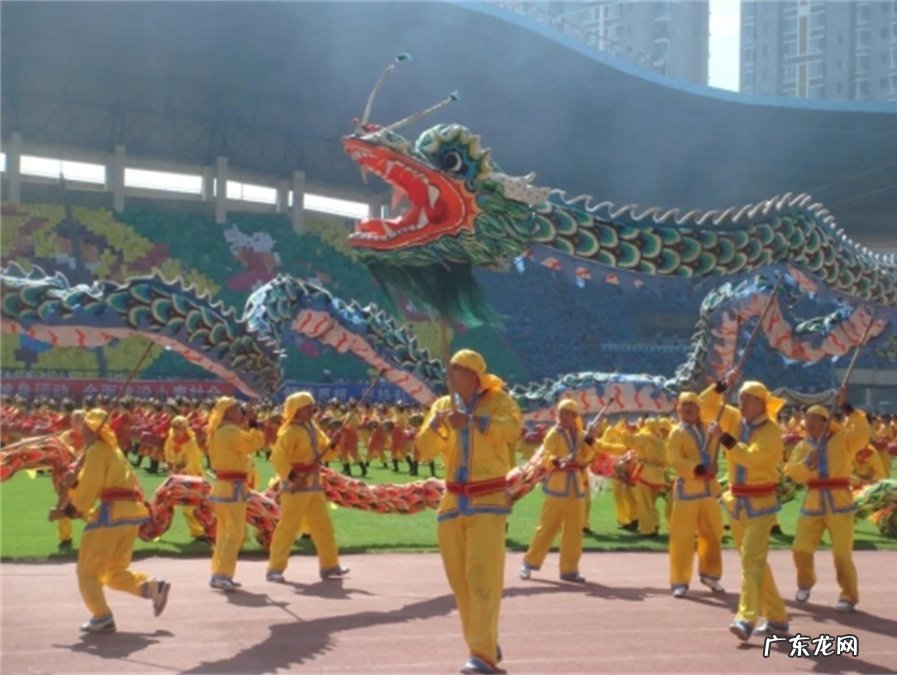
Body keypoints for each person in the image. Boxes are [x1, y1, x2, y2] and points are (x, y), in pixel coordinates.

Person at [416, 349, 522, 675]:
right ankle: (484, 643)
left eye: (460, 369)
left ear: (476, 374)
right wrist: (433, 427)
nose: (453, 375)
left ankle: (482, 655)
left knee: (482, 578)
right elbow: (422, 452)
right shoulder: (442, 405)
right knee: (460, 582)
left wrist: (475, 421)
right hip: (452, 502)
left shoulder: (499, 400)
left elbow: (512, 429)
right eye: (451, 369)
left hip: (488, 500)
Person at [48, 408, 170, 633]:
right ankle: (153, 587)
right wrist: (72, 484)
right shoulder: (113, 451)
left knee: (87, 571)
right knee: (114, 573)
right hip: (130, 515)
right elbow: (90, 484)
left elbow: (89, 490)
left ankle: (101, 615)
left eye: (84, 425)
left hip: (111, 515)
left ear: (90, 428)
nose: (81, 429)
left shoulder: (96, 451)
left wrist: (67, 510)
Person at [703, 371, 790, 641]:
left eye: (747, 399)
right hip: (737, 504)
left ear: (762, 403)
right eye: (739, 398)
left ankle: (746, 617)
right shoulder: (734, 420)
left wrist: (725, 439)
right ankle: (777, 618)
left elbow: (753, 460)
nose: (741, 404)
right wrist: (721, 385)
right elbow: (705, 405)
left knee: (751, 561)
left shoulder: (772, 431)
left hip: (761, 504)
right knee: (754, 562)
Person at [784, 390, 870, 612]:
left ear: (826, 421)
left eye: (814, 419)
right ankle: (805, 582)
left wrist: (846, 406)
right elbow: (792, 472)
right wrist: (807, 463)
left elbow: (862, 433)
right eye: (807, 419)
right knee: (800, 549)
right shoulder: (803, 446)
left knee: (842, 554)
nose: (809, 423)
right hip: (813, 502)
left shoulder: (843, 440)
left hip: (839, 502)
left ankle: (849, 595)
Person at [266, 392, 349, 582]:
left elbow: (325, 453)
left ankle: (330, 566)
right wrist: (294, 477)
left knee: (323, 526)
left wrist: (333, 444)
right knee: (288, 527)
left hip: (314, 485)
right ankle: (275, 568)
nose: (312, 409)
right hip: (296, 486)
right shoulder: (289, 432)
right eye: (307, 406)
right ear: (296, 410)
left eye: (312, 405)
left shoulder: (313, 428)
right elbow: (278, 458)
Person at [520, 399, 596, 583]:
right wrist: (558, 460)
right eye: (561, 413)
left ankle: (569, 569)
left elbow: (588, 456)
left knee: (574, 530)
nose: (563, 417)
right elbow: (546, 455)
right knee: (547, 527)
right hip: (557, 486)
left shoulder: (579, 435)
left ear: (574, 416)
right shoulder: (553, 434)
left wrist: (590, 439)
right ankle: (529, 563)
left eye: (568, 413)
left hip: (576, 487)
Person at [665, 392, 725, 598]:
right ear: (678, 409)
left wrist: (714, 467)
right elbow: (674, 459)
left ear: (699, 408)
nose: (688, 408)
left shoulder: (709, 429)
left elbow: (717, 453)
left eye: (692, 404)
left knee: (713, 533)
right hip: (687, 492)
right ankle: (680, 580)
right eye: (684, 405)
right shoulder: (676, 432)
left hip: (708, 491)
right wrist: (697, 469)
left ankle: (711, 574)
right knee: (682, 537)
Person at [207, 396, 264, 592]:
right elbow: (254, 443)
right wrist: (254, 423)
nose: (240, 411)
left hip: (224, 486)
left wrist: (246, 423)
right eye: (237, 408)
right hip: (233, 488)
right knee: (235, 533)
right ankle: (222, 574)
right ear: (229, 412)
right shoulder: (231, 431)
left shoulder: (219, 432)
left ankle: (218, 572)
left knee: (224, 532)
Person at [163, 415, 207, 541]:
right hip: (177, 477)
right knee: (166, 503)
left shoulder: (191, 443)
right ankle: (157, 529)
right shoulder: (170, 439)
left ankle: (200, 532)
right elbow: (167, 452)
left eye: (179, 428)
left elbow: (194, 461)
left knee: (190, 508)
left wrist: (183, 471)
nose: (176, 431)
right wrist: (169, 464)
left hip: (192, 478)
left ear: (185, 429)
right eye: (174, 427)